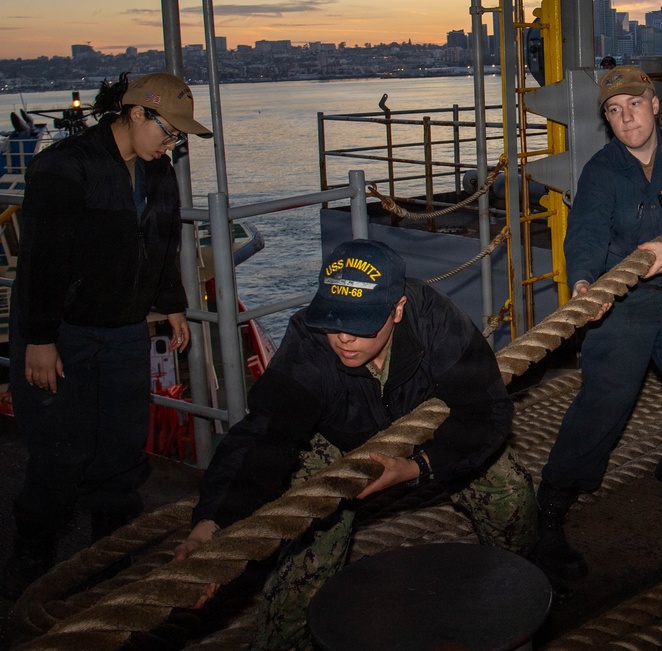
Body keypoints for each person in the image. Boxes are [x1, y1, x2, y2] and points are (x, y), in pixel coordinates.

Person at [173, 239, 538, 649]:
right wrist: (211, 526)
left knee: (512, 493)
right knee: (306, 562)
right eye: (333, 322)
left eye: (361, 324)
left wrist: (417, 467)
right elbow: (264, 435)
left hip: (426, 426)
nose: (343, 338)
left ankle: (516, 588)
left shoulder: (436, 321)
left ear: (397, 309)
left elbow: (486, 411)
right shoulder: (309, 342)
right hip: (338, 439)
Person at [0, 72, 211, 600]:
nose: (172, 143)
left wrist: (171, 305)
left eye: (179, 136)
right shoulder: (65, 166)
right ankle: (30, 560)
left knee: (121, 452)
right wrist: (40, 339)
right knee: (60, 453)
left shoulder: (158, 171)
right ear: (137, 112)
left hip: (123, 329)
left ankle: (110, 558)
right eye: (169, 131)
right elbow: (41, 260)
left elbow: (161, 242)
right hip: (63, 331)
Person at [532, 65, 662, 580]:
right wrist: (585, 283)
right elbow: (586, 231)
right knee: (603, 406)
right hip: (622, 304)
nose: (626, 118)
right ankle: (549, 509)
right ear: (607, 120)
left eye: (634, 105)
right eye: (614, 110)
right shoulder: (602, 171)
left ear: (655, 105)